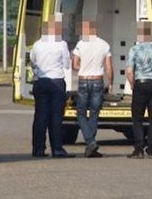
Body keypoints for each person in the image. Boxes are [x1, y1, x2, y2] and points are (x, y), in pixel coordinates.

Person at [30, 18, 74, 158]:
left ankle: (38, 149)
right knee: (56, 117)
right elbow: (67, 64)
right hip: (56, 82)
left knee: (40, 116)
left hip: (41, 81)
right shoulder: (61, 44)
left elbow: (33, 62)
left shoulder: (37, 45)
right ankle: (57, 149)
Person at [126, 21, 152, 159]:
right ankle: (151, 149)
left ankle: (139, 148)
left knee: (137, 118)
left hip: (141, 83)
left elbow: (129, 71)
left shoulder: (135, 50)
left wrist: (133, 84)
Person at [72, 20, 113, 158]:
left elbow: (74, 64)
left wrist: (83, 68)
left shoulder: (80, 44)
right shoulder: (104, 44)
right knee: (94, 113)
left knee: (81, 113)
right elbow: (108, 67)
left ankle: (90, 142)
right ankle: (91, 145)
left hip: (84, 80)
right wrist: (111, 83)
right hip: (98, 80)